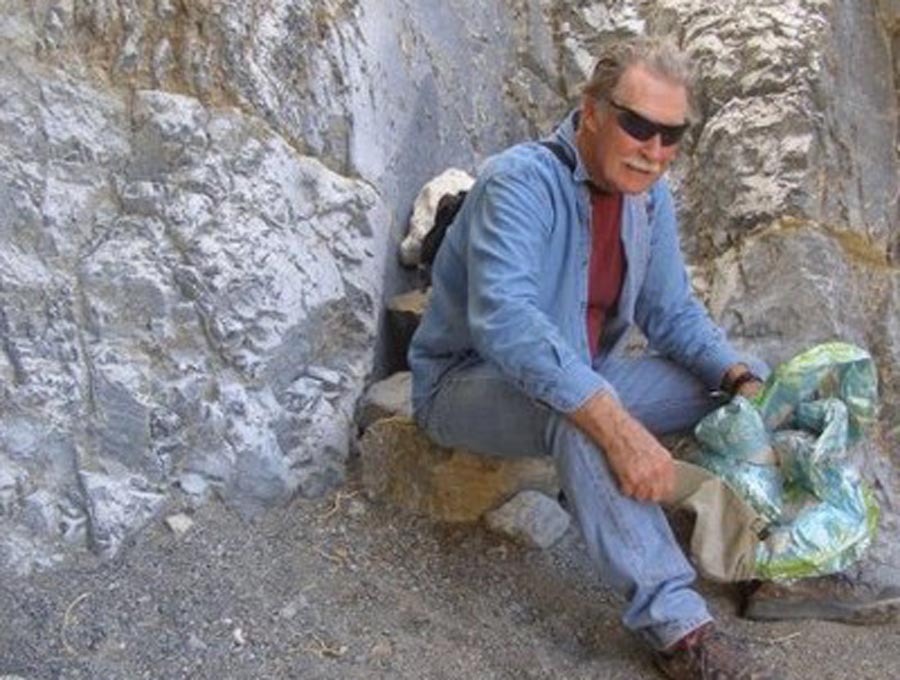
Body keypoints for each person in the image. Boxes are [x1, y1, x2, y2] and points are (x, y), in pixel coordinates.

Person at [407, 36, 893, 679]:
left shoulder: (647, 197)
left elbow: (671, 313)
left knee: (748, 392)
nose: (655, 151)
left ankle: (776, 562)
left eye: (672, 136)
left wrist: (741, 379)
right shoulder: (519, 181)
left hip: (583, 373)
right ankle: (679, 627)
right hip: (467, 383)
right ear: (592, 111)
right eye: (638, 126)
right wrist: (615, 424)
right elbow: (508, 323)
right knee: (583, 421)